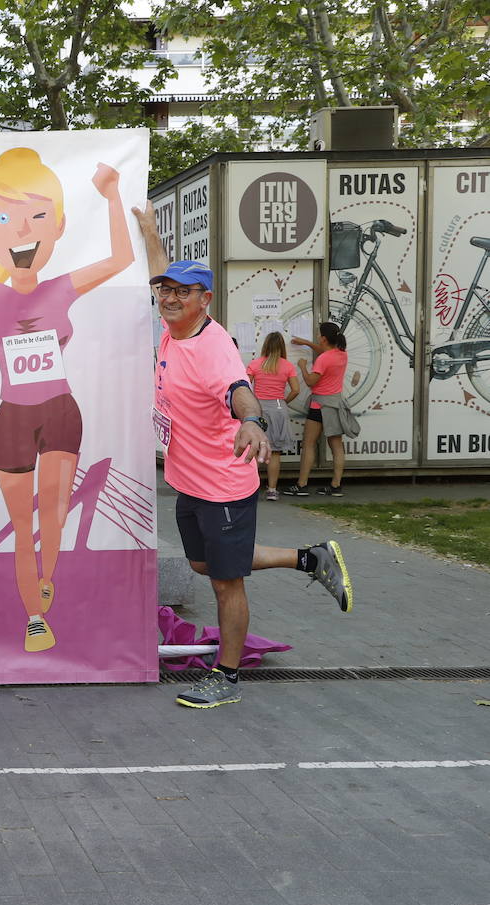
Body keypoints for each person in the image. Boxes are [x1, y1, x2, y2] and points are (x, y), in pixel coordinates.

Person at [133, 203, 354, 709]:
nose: (166, 298)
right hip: (189, 480)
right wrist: (149, 231)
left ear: (204, 300)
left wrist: (252, 421)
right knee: (202, 561)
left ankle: (226, 677)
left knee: (225, 583)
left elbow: (239, 391)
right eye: (163, 290)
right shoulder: (175, 325)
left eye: (180, 292)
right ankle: (310, 557)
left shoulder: (214, 350)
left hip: (223, 485)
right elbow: (158, 273)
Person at [0, 149, 134, 652]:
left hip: (59, 413)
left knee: (53, 513)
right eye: (4, 218)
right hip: (12, 420)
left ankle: (47, 575)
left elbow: (121, 260)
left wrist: (113, 195)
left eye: (37, 217)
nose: (21, 231)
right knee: (21, 526)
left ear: (57, 227)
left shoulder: (62, 287)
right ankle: (35, 616)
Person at [285, 322, 358, 498]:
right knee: (337, 446)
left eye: (319, 335)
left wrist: (302, 366)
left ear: (324, 338)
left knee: (309, 444)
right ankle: (335, 486)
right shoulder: (342, 355)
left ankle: (301, 485)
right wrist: (306, 343)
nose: (318, 337)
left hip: (319, 406)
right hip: (335, 405)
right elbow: (325, 351)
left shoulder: (324, 359)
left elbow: (311, 381)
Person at [246, 331, 300, 501]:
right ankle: (272, 490)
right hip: (278, 408)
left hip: (258, 409)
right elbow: (296, 390)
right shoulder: (287, 366)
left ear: (265, 345)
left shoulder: (255, 364)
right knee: (275, 452)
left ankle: (250, 489)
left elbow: (245, 387)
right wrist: (283, 401)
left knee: (254, 449)